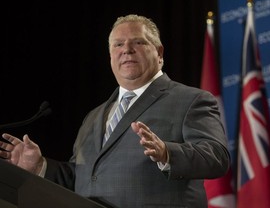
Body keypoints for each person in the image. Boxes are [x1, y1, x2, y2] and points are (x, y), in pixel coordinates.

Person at [0, 14, 230, 208]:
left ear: (159, 52)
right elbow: (83, 178)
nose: (127, 50)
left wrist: (167, 153)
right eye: (118, 44)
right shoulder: (94, 116)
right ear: (110, 55)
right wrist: (40, 166)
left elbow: (217, 156)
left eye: (138, 42)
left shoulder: (191, 100)